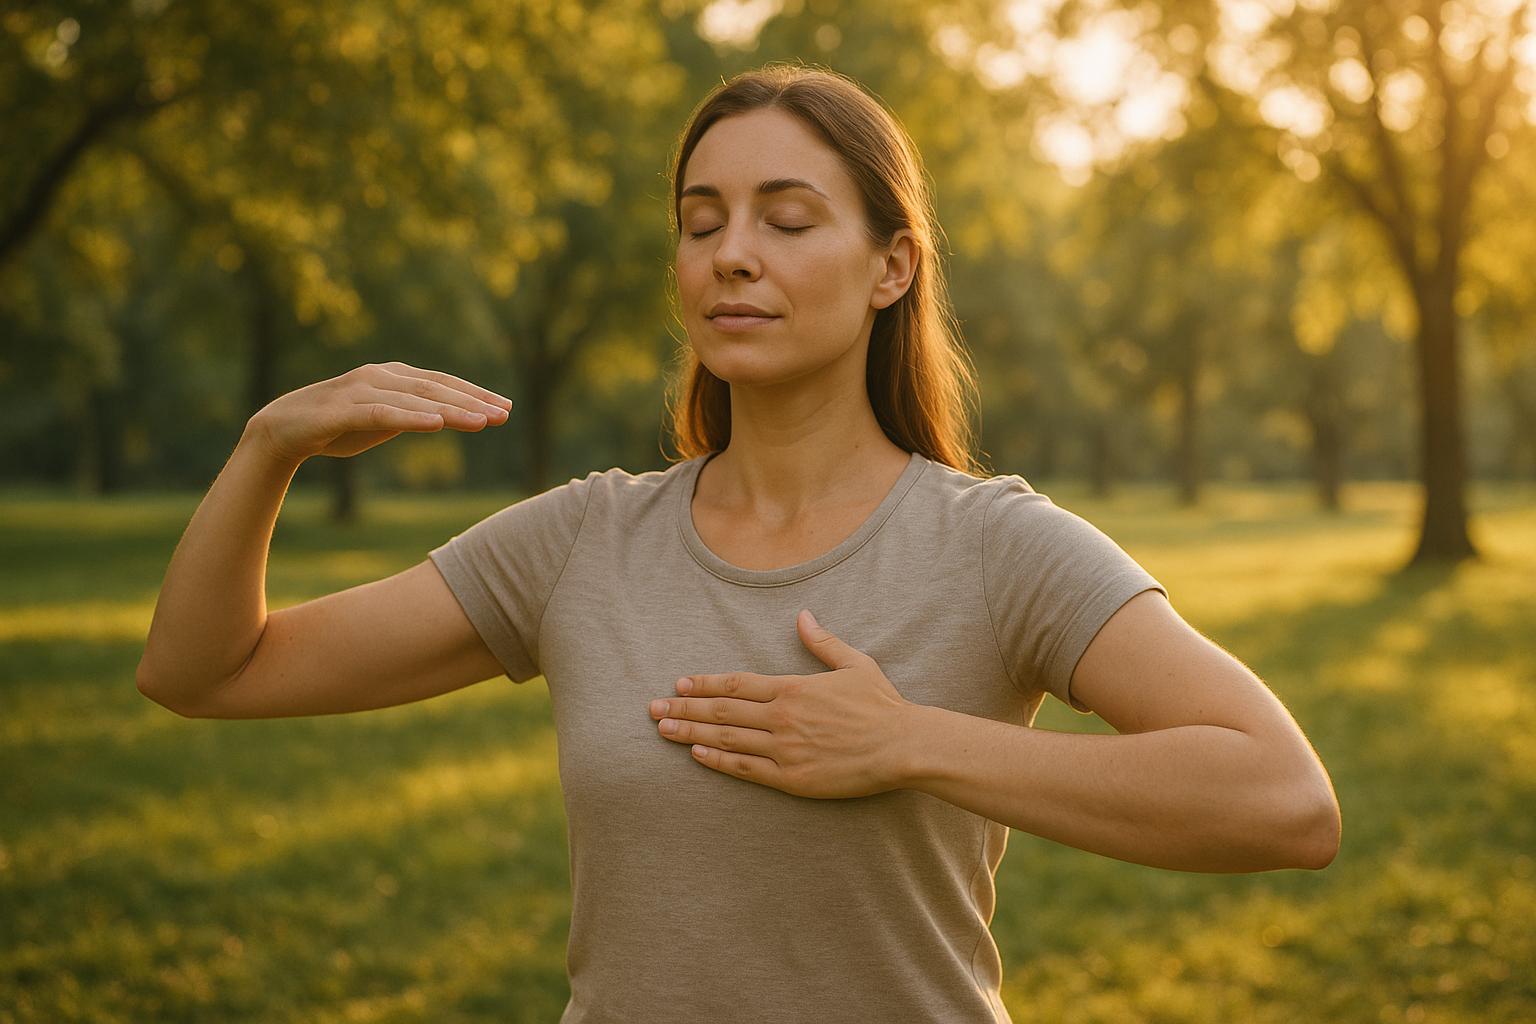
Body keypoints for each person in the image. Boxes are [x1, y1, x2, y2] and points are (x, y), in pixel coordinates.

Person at [137, 62, 1342, 1024]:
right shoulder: (582, 540)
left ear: (891, 266)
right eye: (700, 222)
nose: (732, 253)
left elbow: (1284, 800)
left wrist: (909, 742)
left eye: (787, 218)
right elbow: (206, 671)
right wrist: (267, 450)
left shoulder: (993, 546)